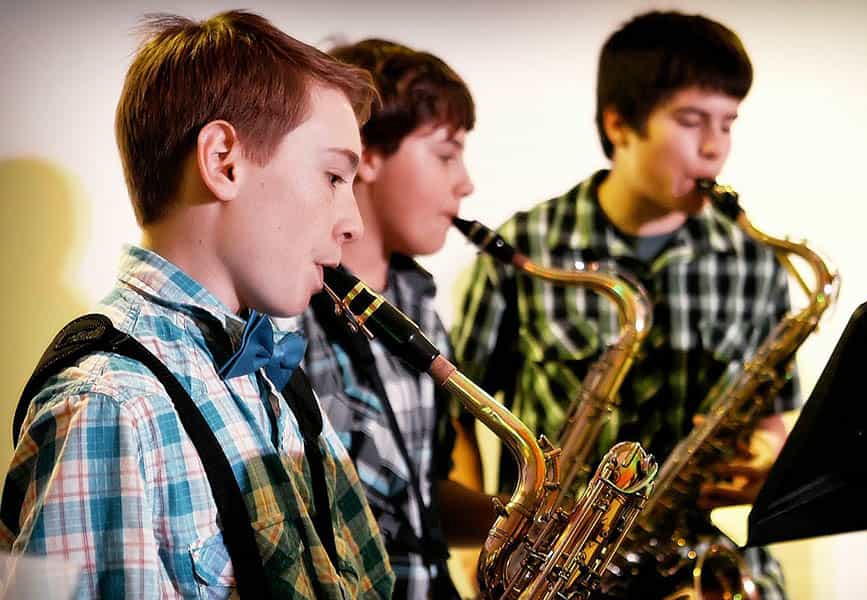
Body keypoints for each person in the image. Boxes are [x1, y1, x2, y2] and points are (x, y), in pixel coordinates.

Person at [0, 11, 394, 599]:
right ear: (223, 161)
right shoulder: (111, 406)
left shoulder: (268, 375)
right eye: (334, 176)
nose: (354, 223)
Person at [451, 10, 796, 597]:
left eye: (728, 124)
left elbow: (770, 420)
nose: (715, 149)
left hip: (695, 559)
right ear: (619, 125)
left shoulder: (755, 260)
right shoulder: (528, 249)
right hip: (556, 565)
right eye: (691, 122)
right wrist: (484, 551)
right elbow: (458, 415)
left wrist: (763, 460)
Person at [297, 39, 494, 600]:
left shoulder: (419, 298)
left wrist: (518, 519)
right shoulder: (287, 310)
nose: (467, 182)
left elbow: (417, 495)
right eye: (446, 153)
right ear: (370, 155)